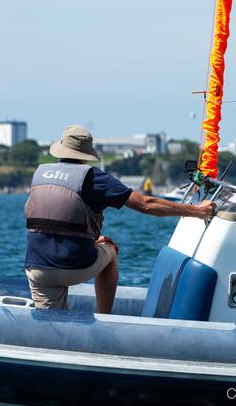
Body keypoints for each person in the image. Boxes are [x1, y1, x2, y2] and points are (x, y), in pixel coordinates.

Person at [24, 125, 215, 313]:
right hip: (75, 265)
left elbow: (52, 219)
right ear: (87, 154)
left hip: (38, 267)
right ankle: (103, 318)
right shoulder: (94, 178)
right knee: (110, 251)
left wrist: (86, 240)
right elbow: (145, 203)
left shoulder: (40, 174)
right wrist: (197, 211)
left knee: (50, 322)